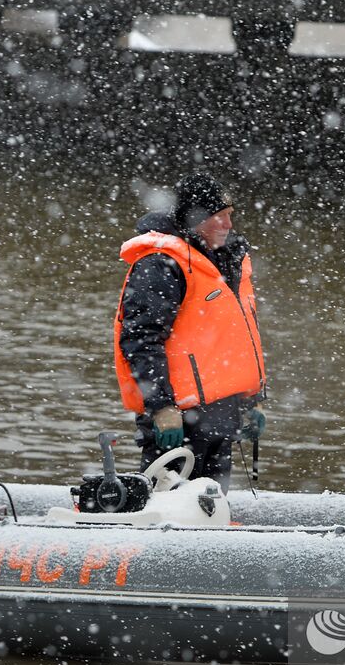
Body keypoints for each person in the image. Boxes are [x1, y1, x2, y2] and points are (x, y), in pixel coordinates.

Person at [114, 172, 266, 488]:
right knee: (171, 509)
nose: (229, 225)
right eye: (219, 217)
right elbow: (141, 339)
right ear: (196, 219)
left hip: (222, 417)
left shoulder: (229, 263)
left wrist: (254, 401)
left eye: (230, 216)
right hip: (179, 421)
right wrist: (162, 407)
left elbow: (240, 338)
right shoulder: (161, 264)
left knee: (212, 504)